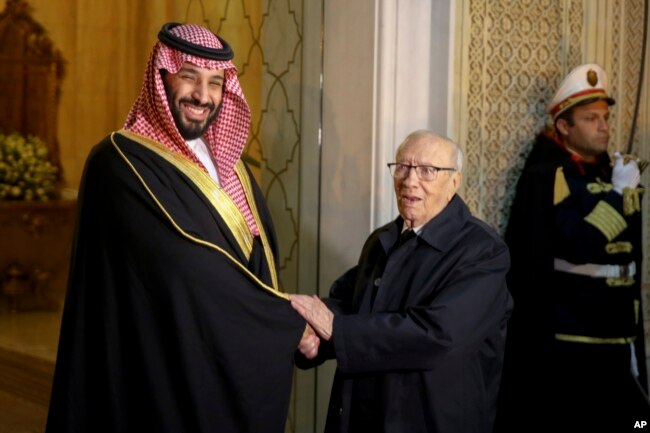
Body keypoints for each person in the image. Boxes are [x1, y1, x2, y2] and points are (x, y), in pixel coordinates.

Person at [45, 22, 306, 433]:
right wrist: (286, 322)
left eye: (216, 83)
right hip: (158, 367)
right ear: (162, 76)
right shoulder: (119, 163)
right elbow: (183, 266)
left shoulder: (230, 164)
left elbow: (257, 253)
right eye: (189, 78)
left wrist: (279, 318)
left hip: (218, 356)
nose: (203, 96)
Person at [290, 130, 513, 433]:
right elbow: (351, 306)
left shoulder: (482, 251)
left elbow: (438, 336)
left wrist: (336, 330)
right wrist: (310, 333)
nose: (410, 181)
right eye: (403, 168)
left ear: (454, 182)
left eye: (428, 171)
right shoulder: (382, 240)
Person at [496, 63, 649, 431]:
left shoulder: (606, 169)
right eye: (590, 118)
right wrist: (620, 194)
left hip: (619, 331)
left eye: (605, 117)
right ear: (564, 126)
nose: (604, 125)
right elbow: (580, 243)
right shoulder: (549, 175)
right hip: (575, 338)